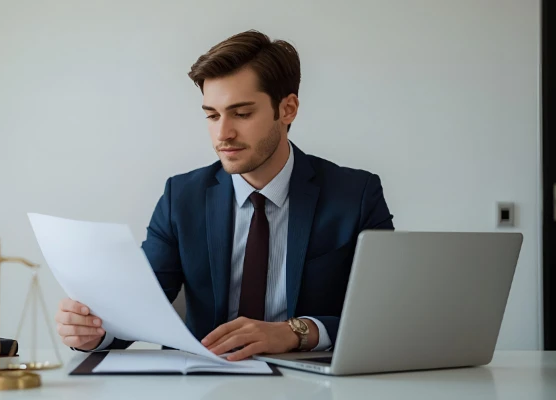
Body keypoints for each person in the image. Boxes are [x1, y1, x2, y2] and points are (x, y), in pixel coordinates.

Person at [54, 30, 394, 361]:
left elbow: (385, 314)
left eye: (242, 114)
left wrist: (296, 331)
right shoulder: (181, 197)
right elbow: (142, 304)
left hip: (312, 384)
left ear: (287, 109)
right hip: (204, 381)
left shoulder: (356, 194)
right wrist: (95, 331)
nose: (223, 133)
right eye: (212, 115)